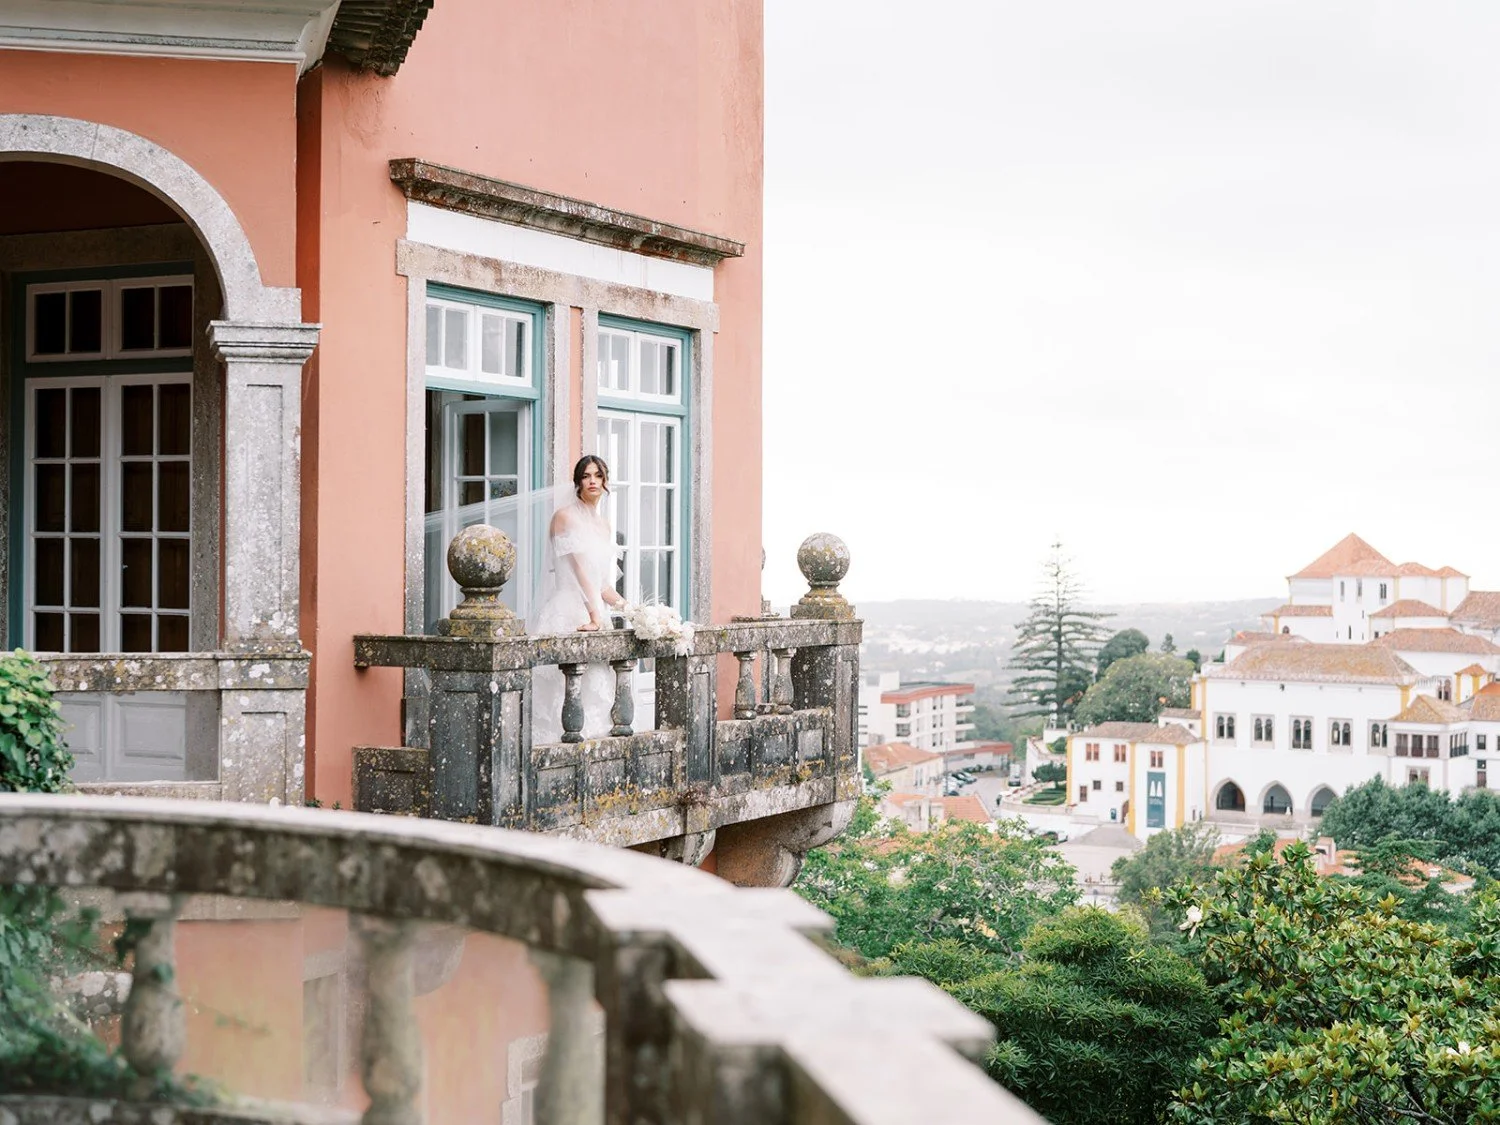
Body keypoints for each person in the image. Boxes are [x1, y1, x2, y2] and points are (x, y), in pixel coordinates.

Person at [529, 455, 628, 743]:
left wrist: (630, 609)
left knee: (596, 693)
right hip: (568, 611)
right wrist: (595, 616)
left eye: (598, 475)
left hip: (595, 611)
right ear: (578, 482)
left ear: (606, 481)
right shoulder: (564, 517)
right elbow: (579, 570)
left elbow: (602, 584)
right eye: (586, 476)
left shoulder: (604, 526)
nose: (593, 481)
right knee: (561, 694)